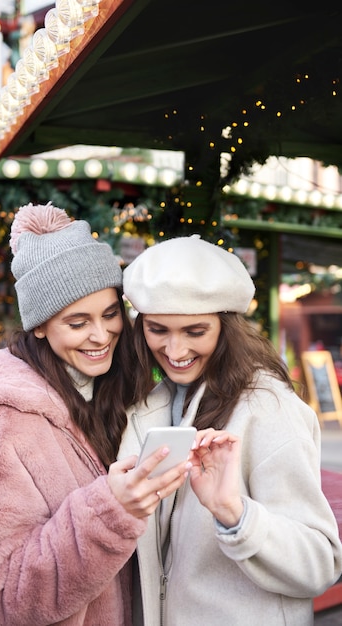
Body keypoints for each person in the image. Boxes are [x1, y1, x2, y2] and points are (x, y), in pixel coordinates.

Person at [0, 203, 191, 626]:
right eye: (77, 322)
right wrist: (113, 511)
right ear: (39, 326)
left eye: (110, 315)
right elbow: (3, 590)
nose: (100, 334)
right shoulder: (2, 421)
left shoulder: (103, 393)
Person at [120, 234, 342, 626]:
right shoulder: (150, 403)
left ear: (225, 328)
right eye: (158, 330)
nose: (174, 351)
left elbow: (320, 563)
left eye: (194, 332)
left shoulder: (267, 408)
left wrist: (234, 514)